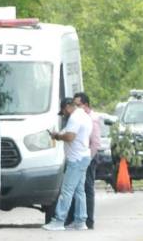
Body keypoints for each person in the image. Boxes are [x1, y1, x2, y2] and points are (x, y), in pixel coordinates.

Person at [42, 97, 93, 231]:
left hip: (76, 160)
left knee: (66, 190)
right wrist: (58, 133)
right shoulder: (84, 115)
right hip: (83, 157)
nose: (63, 114)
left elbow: (70, 136)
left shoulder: (75, 118)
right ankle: (80, 221)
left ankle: (59, 221)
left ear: (67, 107)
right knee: (79, 191)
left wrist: (57, 137)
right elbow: (71, 132)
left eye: (63, 111)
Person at [64, 92, 101, 229]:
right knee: (76, 189)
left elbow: (95, 143)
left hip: (88, 157)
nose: (76, 107)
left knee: (87, 188)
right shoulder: (77, 117)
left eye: (78, 105)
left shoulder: (92, 118)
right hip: (79, 157)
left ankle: (88, 220)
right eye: (74, 105)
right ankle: (74, 218)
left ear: (86, 105)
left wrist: (87, 160)